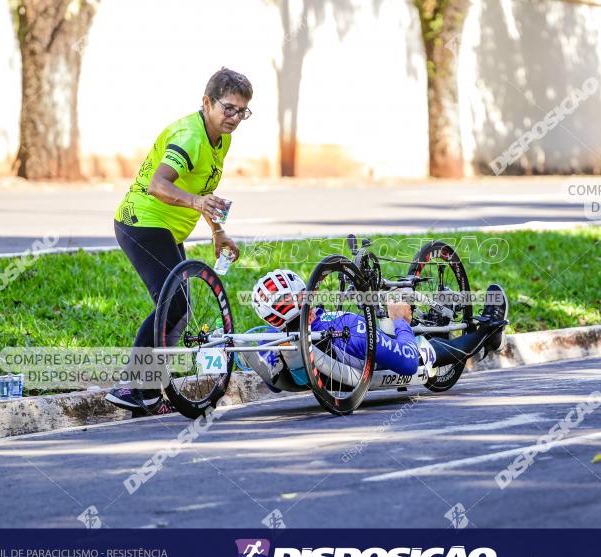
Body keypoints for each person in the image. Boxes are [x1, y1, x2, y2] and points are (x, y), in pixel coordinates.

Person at [106, 67, 253, 416]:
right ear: (207, 102)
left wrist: (217, 231)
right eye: (228, 108)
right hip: (142, 222)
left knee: (177, 310)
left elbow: (203, 190)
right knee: (174, 305)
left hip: (168, 229)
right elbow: (159, 184)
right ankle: (132, 386)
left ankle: (148, 392)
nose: (234, 117)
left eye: (242, 111)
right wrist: (196, 203)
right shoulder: (189, 136)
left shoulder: (221, 137)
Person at [249, 269, 508, 388]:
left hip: (346, 355)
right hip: (389, 351)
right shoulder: (349, 327)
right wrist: (400, 321)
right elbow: (407, 363)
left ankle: (430, 319)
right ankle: (490, 330)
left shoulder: (268, 341)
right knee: (426, 350)